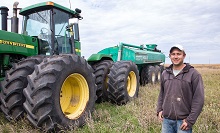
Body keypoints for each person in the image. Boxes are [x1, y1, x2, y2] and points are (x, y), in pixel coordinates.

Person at [157, 44, 204, 133]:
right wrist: (159, 109)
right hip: (166, 120)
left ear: (184, 56)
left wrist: (190, 120)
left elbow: (199, 99)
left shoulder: (193, 74)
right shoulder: (165, 73)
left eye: (179, 54)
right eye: (173, 54)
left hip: (183, 121)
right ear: (170, 56)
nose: (176, 56)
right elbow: (162, 93)